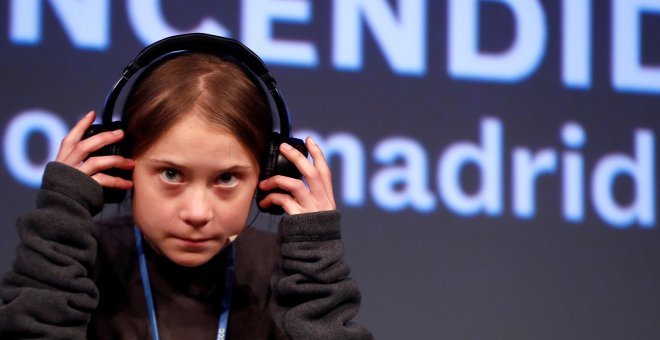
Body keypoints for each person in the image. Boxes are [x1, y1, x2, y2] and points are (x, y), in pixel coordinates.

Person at [0, 34, 373, 339]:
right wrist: (59, 225)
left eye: (227, 178)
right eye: (171, 175)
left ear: (267, 174)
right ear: (122, 158)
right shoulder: (76, 263)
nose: (197, 213)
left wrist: (316, 260)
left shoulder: (288, 275)